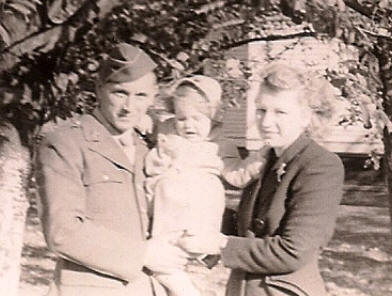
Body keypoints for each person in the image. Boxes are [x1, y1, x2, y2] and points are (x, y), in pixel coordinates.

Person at [36, 43, 189, 296]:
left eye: (140, 96)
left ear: (153, 97)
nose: (129, 106)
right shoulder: (66, 142)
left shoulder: (150, 149)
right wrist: (143, 254)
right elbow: (61, 231)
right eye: (120, 93)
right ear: (99, 90)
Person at [178, 64, 345, 296]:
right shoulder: (265, 158)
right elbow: (247, 229)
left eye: (280, 112)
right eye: (261, 110)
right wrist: (189, 208)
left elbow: (293, 251)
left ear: (305, 117)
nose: (265, 122)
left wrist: (220, 244)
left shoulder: (319, 165)